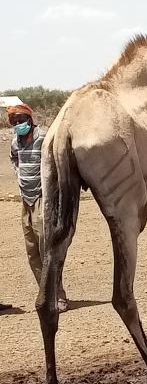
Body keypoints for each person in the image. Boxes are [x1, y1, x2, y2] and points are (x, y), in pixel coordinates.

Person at [7, 103, 68, 311]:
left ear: (30, 119)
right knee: (32, 250)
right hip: (26, 200)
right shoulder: (15, 141)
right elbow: (14, 159)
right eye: (14, 122)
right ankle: (45, 295)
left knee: (47, 249)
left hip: (43, 198)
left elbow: (56, 160)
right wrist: (19, 175)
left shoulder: (44, 137)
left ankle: (58, 295)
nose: (18, 125)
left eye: (21, 120)